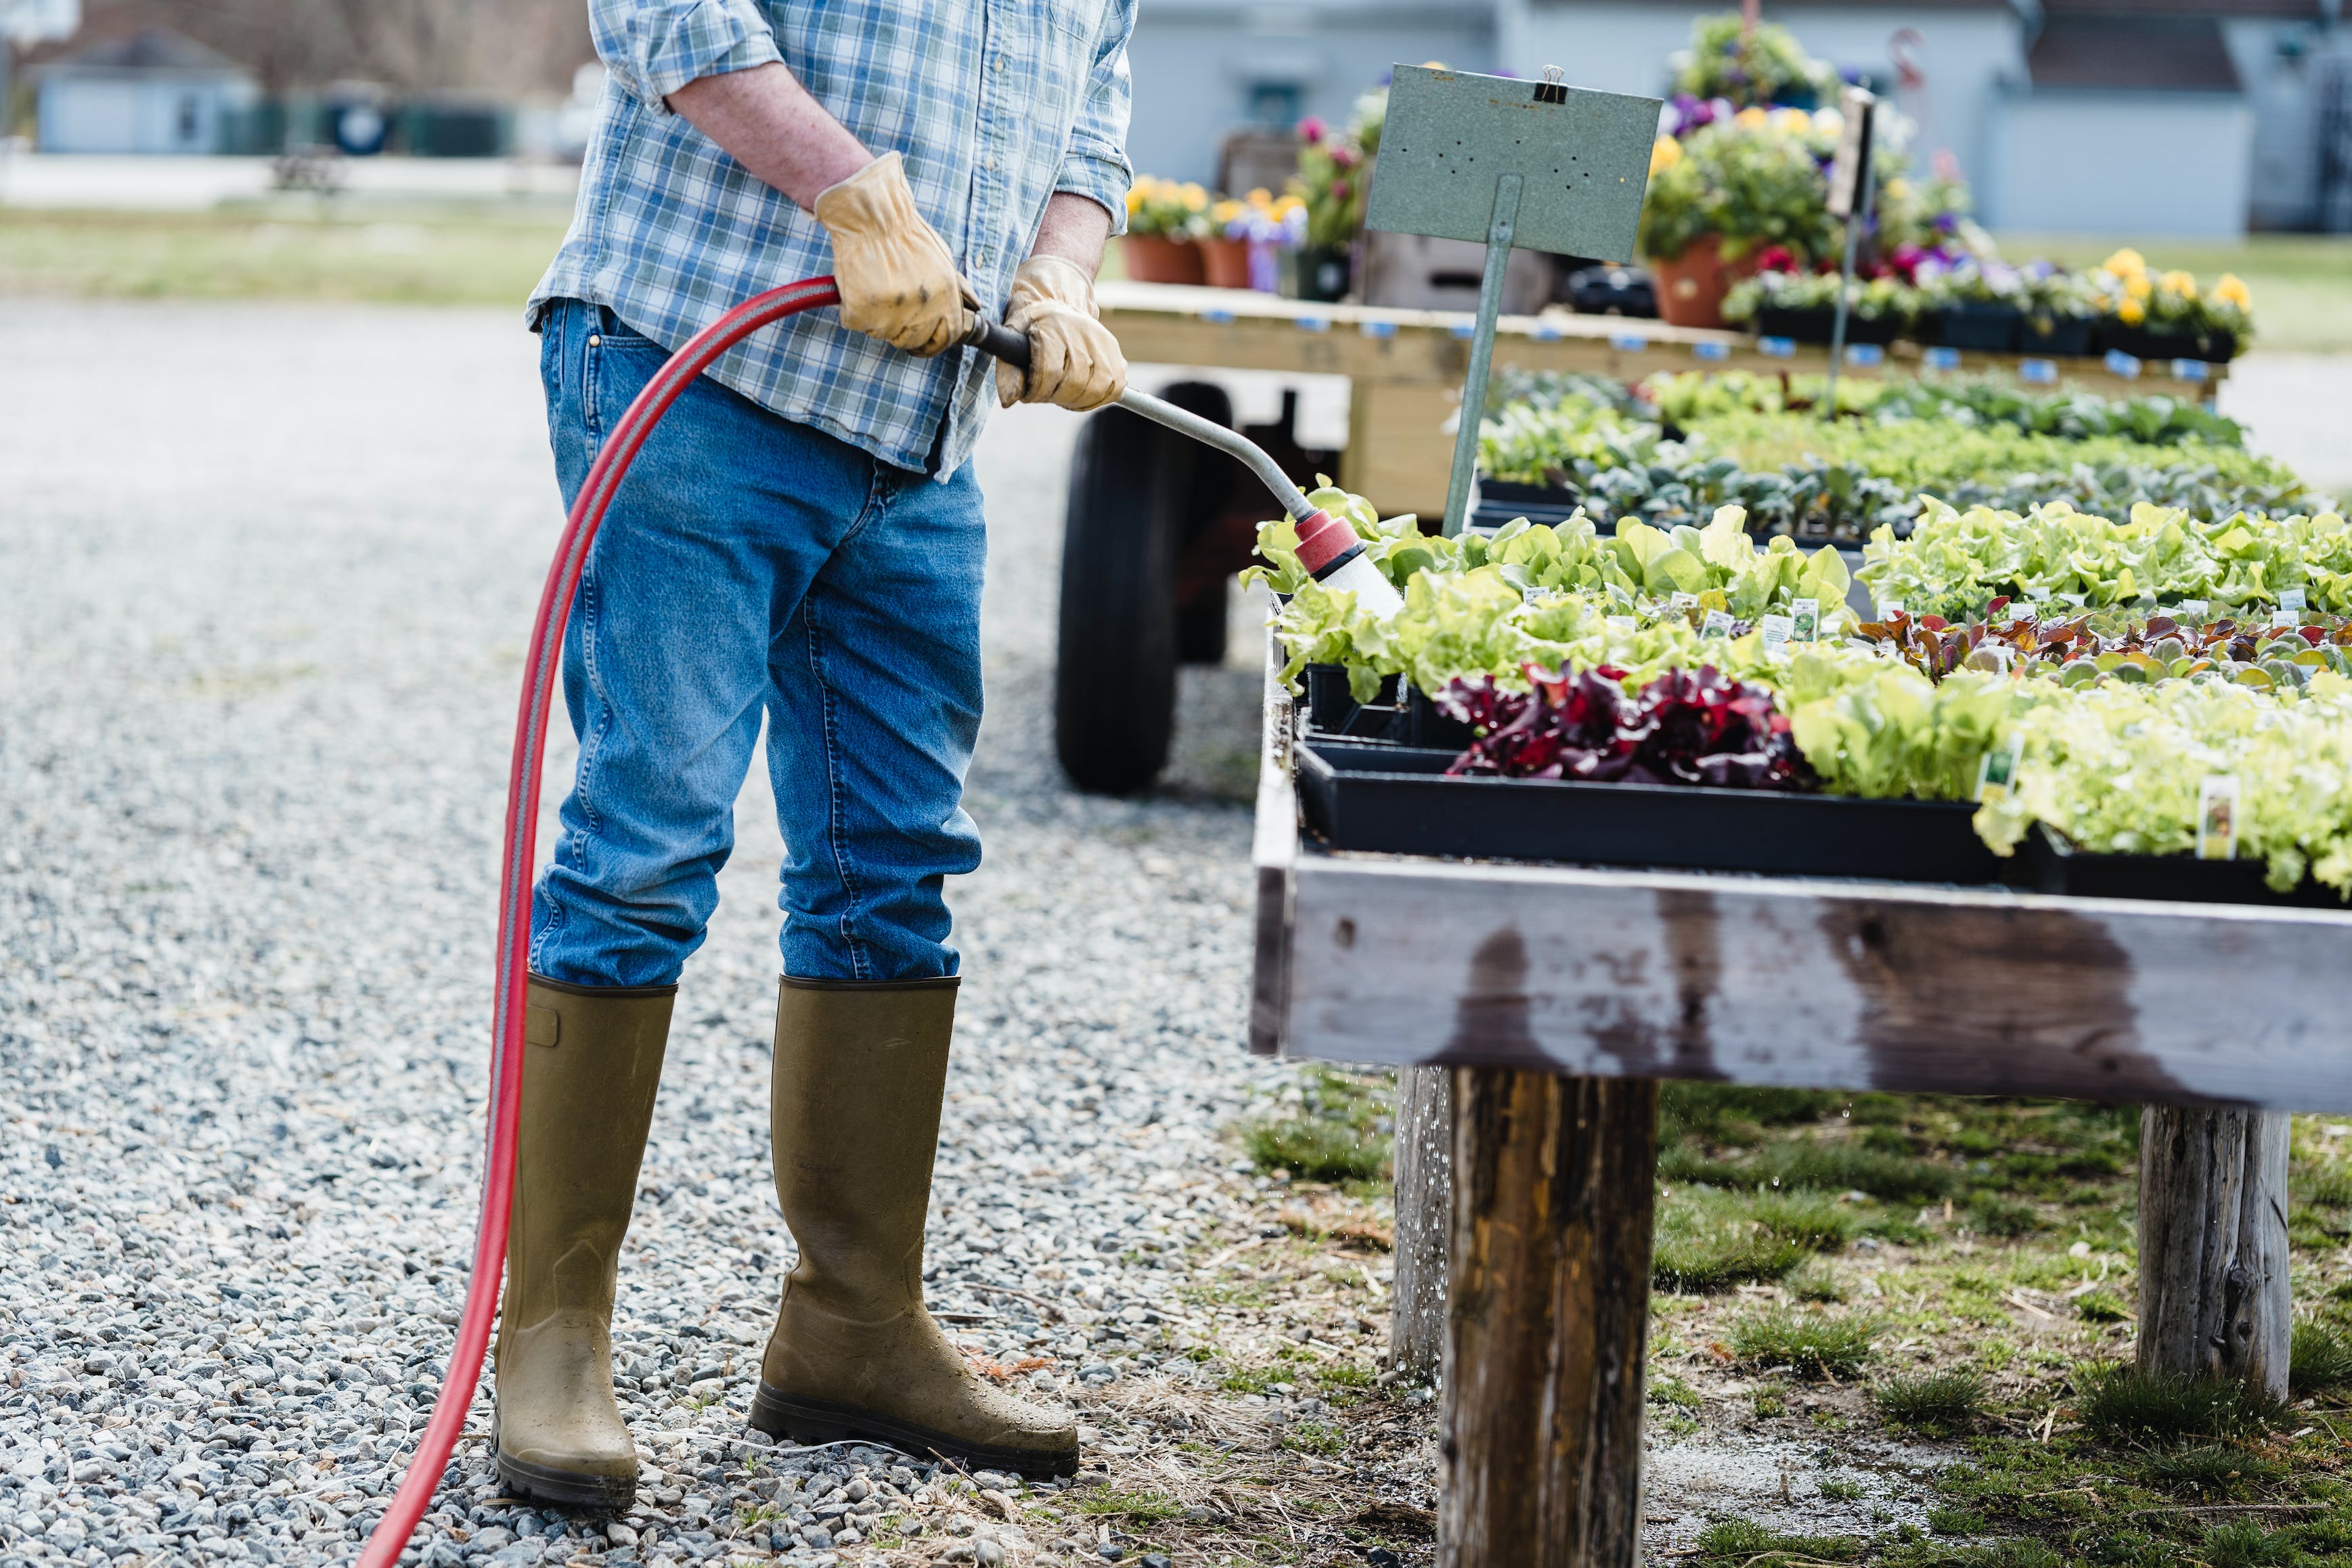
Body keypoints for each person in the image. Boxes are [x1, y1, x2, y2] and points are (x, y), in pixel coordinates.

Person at [497, 0, 1135, 1508]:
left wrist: (1059, 269)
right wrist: (851, 191)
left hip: (919, 427)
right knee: (648, 842)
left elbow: (1094, 113)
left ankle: (854, 1327)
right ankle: (554, 1334)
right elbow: (666, 11)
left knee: (892, 872)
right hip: (698, 371)